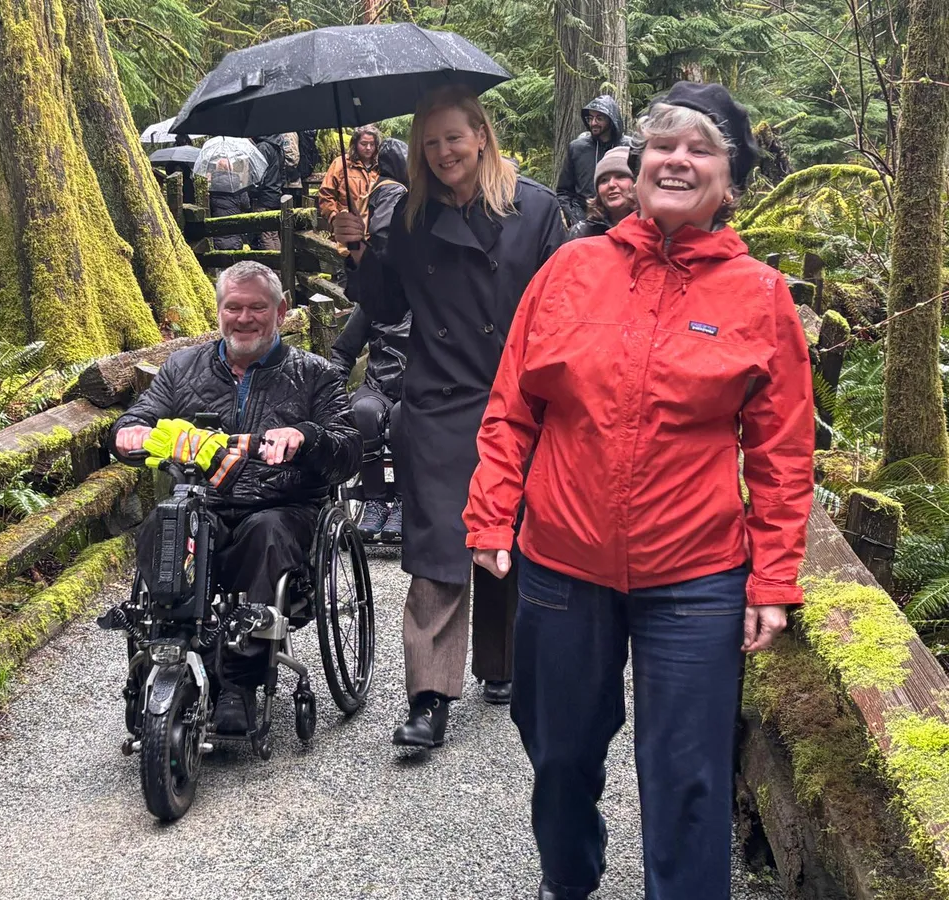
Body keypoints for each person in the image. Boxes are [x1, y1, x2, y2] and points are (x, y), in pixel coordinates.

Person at [464, 82, 815, 900]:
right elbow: (514, 406)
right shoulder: (571, 269)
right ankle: (570, 876)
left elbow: (781, 450)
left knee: (686, 775)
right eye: (664, 146)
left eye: (702, 150)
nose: (678, 161)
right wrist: (491, 512)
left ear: (731, 182)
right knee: (556, 752)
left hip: (694, 577)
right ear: (636, 161)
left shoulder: (758, 296)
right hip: (561, 562)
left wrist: (772, 579)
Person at [332, 84, 567, 748]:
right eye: (430, 143)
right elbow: (382, 305)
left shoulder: (536, 208)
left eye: (453, 138)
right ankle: (429, 695)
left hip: (520, 398)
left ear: (482, 136)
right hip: (440, 398)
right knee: (439, 545)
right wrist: (358, 253)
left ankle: (503, 663)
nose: (442, 154)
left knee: (510, 538)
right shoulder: (408, 217)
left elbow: (565, 304)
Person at [110, 261, 362, 733]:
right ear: (219, 311)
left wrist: (305, 438)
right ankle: (163, 660)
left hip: (281, 507)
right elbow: (137, 418)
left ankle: (239, 682)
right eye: (233, 307)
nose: (244, 318)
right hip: (202, 501)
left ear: (281, 312)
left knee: (264, 535)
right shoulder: (181, 368)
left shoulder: (316, 375)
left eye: (257, 308)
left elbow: (348, 450)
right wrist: (128, 434)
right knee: (162, 526)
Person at [330, 137, 411, 542]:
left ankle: (406, 503)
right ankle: (377, 500)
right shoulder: (376, 299)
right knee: (362, 412)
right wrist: (326, 388)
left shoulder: (428, 296)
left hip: (419, 387)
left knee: (401, 419)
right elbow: (344, 350)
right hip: (378, 383)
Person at [555, 95, 631, 227]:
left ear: (611, 120)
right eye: (590, 118)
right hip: (587, 220)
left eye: (599, 118)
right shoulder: (577, 148)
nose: (593, 123)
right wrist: (576, 219)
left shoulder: (630, 147)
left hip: (624, 220)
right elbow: (564, 191)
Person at [565, 145, 636, 241]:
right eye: (604, 180)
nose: (611, 184)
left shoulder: (656, 228)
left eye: (620, 176)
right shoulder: (583, 233)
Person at [318, 125, 382, 224]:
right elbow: (326, 194)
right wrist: (334, 217)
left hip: (373, 227)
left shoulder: (381, 166)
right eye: (363, 144)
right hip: (347, 224)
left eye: (372, 144)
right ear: (355, 144)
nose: (368, 148)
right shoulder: (341, 163)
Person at [250, 134, 287, 250]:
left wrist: (253, 191)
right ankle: (281, 264)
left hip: (264, 196)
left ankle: (273, 265)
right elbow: (283, 173)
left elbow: (258, 174)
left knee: (265, 234)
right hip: (275, 193)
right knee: (274, 234)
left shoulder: (263, 147)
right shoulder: (278, 148)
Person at [208, 158, 252, 250]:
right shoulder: (238, 186)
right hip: (235, 231)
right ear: (231, 169)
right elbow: (246, 205)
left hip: (217, 232)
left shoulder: (211, 186)